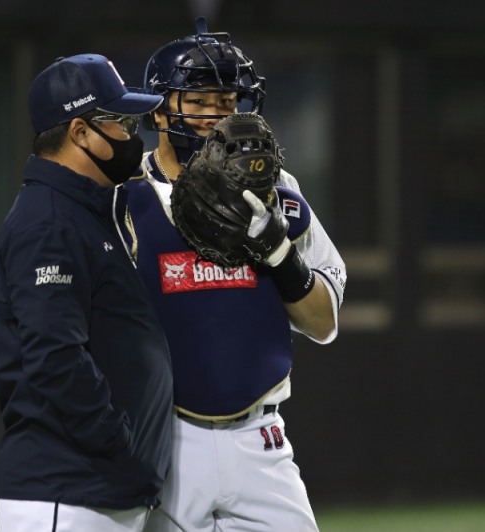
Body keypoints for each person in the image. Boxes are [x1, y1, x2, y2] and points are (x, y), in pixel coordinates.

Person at [124, 18, 347, 532]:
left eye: (226, 102)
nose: (215, 116)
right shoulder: (124, 198)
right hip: (165, 440)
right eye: (197, 101)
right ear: (158, 109)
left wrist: (279, 255)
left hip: (260, 442)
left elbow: (324, 323)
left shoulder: (279, 192)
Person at [0, 53, 174, 532]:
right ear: (80, 132)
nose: (134, 136)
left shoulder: (84, 212)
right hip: (67, 491)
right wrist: (120, 445)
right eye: (120, 123)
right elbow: (55, 357)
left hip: (95, 490)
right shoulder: (48, 223)